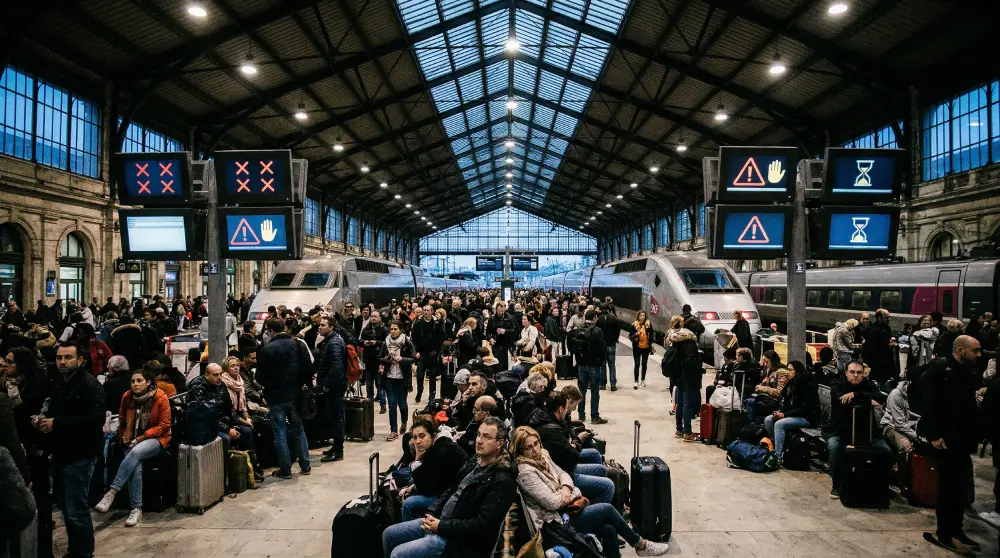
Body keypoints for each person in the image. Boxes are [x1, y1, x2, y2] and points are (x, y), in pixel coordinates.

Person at [509, 425, 669, 557]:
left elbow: (563, 473)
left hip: (565, 510)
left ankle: (636, 546)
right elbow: (552, 503)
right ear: (520, 450)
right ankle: (640, 544)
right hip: (554, 524)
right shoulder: (525, 471)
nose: (535, 449)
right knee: (607, 509)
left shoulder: (543, 455)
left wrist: (565, 487)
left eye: (536, 443)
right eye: (528, 447)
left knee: (608, 527)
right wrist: (572, 491)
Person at [35, 343, 105, 558]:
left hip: (81, 455)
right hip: (62, 453)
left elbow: (94, 420)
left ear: (80, 360)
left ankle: (83, 553)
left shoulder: (89, 386)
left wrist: (57, 423)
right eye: (59, 358)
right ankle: (75, 550)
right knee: (66, 508)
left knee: (76, 509)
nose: (63, 362)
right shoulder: (61, 383)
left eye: (68, 357)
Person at [919, 335, 983, 553]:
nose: (978, 355)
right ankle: (945, 532)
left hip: (963, 438)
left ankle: (957, 529)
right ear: (961, 350)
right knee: (948, 487)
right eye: (975, 350)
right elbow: (926, 402)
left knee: (961, 486)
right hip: (946, 439)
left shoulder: (967, 370)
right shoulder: (939, 369)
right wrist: (934, 435)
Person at [93, 367, 171, 526]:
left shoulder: (160, 397)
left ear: (148, 382)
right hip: (132, 437)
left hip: (156, 438)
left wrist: (141, 438)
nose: (135, 384)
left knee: (135, 453)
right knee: (135, 467)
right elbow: (122, 421)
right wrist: (125, 437)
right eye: (133, 381)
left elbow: (164, 426)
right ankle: (136, 509)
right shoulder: (127, 397)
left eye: (139, 381)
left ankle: (112, 492)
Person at [525, 392, 614, 506]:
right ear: (561, 409)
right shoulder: (552, 430)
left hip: (561, 469)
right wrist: (577, 441)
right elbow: (572, 457)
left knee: (600, 465)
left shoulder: (544, 419)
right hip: (563, 473)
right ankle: (592, 514)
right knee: (608, 486)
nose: (569, 411)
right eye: (567, 408)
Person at [824, 360, 891, 499]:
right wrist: (867, 400)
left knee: (886, 451)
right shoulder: (838, 385)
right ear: (846, 373)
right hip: (841, 430)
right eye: (852, 372)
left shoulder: (869, 384)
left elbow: (880, 398)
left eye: (859, 373)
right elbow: (840, 402)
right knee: (835, 447)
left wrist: (855, 395)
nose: (855, 375)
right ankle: (836, 485)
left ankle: (881, 485)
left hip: (867, 431)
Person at [257, 318, 313, 478]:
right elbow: (308, 368)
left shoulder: (267, 349)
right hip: (295, 396)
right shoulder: (298, 345)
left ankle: (285, 469)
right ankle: (306, 466)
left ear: (271, 331)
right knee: (299, 430)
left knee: (280, 432)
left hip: (276, 397)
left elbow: (260, 377)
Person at [399, 419, 469, 522]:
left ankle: (411, 531)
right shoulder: (441, 443)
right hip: (449, 487)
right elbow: (430, 475)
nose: (417, 441)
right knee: (411, 482)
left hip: (452, 496)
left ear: (433, 435)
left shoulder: (438, 452)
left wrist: (417, 460)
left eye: (422, 436)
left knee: (408, 504)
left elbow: (426, 489)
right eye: (415, 437)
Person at [763, 361, 818, 469]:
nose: (788, 372)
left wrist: (785, 414)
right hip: (793, 415)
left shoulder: (806, 385)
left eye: (791, 370)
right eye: (787, 369)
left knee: (779, 424)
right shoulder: (791, 384)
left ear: (797, 372)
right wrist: (780, 412)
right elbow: (786, 402)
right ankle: (777, 448)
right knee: (769, 420)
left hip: (806, 417)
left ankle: (778, 457)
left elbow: (804, 408)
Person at [315, 316, 347, 463]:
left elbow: (337, 368)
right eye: (319, 325)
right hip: (334, 385)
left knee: (337, 418)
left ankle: (339, 450)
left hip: (335, 387)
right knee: (335, 418)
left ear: (332, 327)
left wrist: (327, 384)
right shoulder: (331, 340)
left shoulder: (334, 343)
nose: (319, 327)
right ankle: (336, 446)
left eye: (323, 325)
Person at [880, 374, 918, 495]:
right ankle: (903, 482)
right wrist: (917, 437)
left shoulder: (918, 393)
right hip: (890, 427)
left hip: (908, 424)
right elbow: (899, 424)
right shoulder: (896, 394)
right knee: (905, 445)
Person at [380, 321, 417, 442]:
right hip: (389, 377)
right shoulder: (386, 342)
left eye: (395, 329)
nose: (393, 331)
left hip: (403, 378)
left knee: (402, 404)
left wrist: (401, 359)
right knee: (391, 404)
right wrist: (387, 359)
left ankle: (404, 421)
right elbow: (380, 357)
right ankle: (393, 430)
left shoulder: (406, 342)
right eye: (391, 329)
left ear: (400, 330)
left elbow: (413, 358)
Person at [572, 310, 607, 425]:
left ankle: (581, 415)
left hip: (582, 364)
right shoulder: (597, 330)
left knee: (582, 390)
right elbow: (602, 348)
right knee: (594, 390)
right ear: (595, 318)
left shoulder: (579, 329)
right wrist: (602, 360)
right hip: (594, 365)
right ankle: (594, 416)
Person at [411, 305, 444, 404]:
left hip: (432, 354)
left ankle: (432, 396)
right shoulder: (418, 324)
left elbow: (440, 339)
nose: (426, 312)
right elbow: (414, 339)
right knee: (420, 376)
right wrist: (415, 351)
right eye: (424, 310)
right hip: (421, 354)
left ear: (432, 311)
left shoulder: (436, 324)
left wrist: (437, 351)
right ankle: (419, 392)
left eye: (428, 310)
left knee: (432, 377)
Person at [744, 350, 787, 424]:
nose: (765, 364)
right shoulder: (769, 371)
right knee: (747, 401)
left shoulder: (781, 372)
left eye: (767, 362)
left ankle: (754, 424)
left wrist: (763, 388)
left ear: (773, 361)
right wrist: (761, 386)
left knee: (752, 403)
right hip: (767, 397)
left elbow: (779, 392)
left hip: (775, 400)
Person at [360, 311, 389, 413]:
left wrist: (377, 342)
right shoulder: (366, 329)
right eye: (372, 316)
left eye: (375, 316)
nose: (373, 318)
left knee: (380, 384)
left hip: (379, 361)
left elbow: (388, 343)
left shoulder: (384, 329)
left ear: (379, 318)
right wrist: (364, 343)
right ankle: (369, 406)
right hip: (368, 361)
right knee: (368, 385)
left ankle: (383, 405)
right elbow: (360, 341)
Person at [862, 309, 896, 385]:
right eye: (886, 318)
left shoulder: (887, 328)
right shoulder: (871, 329)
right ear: (879, 318)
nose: (889, 319)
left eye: (889, 317)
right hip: (875, 362)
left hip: (886, 361)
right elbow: (868, 349)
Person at [595, 305, 619, 390]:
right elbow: (617, 330)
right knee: (612, 364)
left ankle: (602, 384)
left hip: (602, 345)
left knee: (602, 365)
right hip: (611, 344)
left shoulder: (599, 319)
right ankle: (613, 384)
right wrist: (615, 339)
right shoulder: (613, 318)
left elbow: (597, 331)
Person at [486, 302, 514, 371]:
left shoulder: (509, 319)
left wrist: (504, 331)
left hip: (506, 344)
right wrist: (490, 338)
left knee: (505, 365)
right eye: (498, 310)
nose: (500, 312)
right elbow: (488, 332)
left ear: (504, 309)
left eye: (502, 310)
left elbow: (514, 331)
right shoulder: (491, 319)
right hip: (496, 344)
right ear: (496, 309)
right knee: (496, 364)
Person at [630, 310, 653, 389]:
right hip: (637, 347)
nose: (642, 317)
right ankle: (636, 381)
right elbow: (630, 336)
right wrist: (636, 334)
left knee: (644, 364)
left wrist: (650, 342)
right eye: (641, 316)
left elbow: (652, 334)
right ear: (638, 316)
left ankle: (643, 379)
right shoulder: (634, 325)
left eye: (643, 316)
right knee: (637, 364)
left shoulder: (648, 325)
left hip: (646, 347)